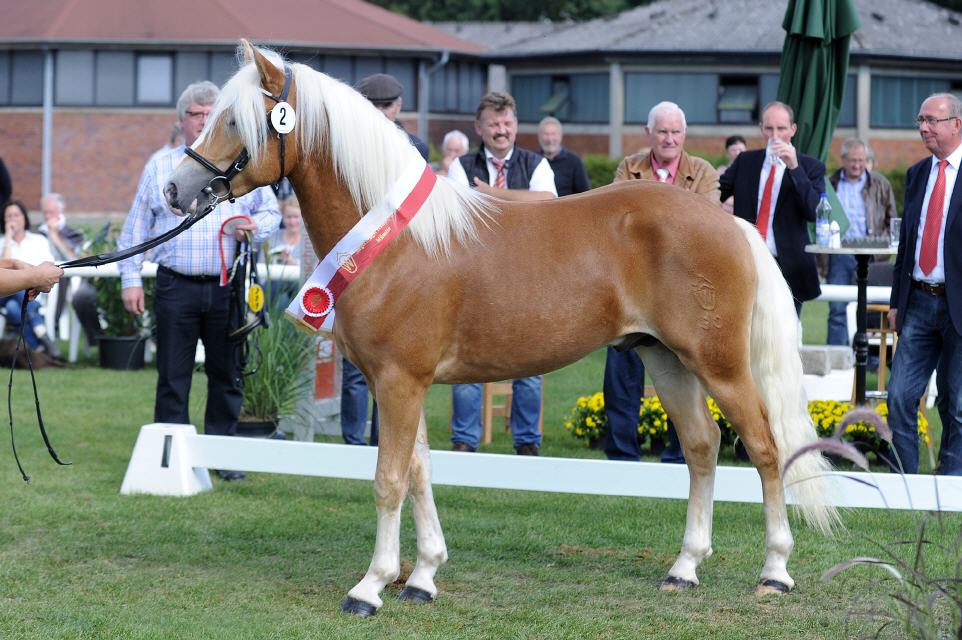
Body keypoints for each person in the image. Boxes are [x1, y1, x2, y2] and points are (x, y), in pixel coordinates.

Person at [118, 80, 281, 481]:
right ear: (181, 120)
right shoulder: (160, 167)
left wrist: (250, 226)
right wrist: (130, 280)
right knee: (173, 374)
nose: (202, 121)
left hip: (228, 288)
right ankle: (171, 457)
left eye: (211, 115)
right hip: (177, 286)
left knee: (227, 374)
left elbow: (272, 215)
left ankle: (223, 457)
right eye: (195, 114)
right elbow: (134, 231)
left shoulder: (240, 166)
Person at [603, 101, 720, 464]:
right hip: (631, 293)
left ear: (684, 135)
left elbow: (706, 229)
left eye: (675, 132)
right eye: (662, 131)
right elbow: (614, 226)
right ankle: (622, 454)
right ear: (648, 134)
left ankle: (678, 454)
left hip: (680, 295)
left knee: (685, 375)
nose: (669, 139)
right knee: (621, 374)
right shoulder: (628, 168)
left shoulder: (704, 173)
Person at [446, 91, 557, 455]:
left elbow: (547, 203)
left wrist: (490, 196)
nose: (502, 130)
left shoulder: (536, 163)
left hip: (527, 276)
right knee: (467, 360)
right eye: (494, 124)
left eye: (507, 123)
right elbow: (457, 212)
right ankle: (464, 441)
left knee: (529, 359)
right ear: (480, 128)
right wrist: (516, 200)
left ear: (516, 126)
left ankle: (527, 443)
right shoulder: (461, 167)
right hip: (474, 277)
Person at [886, 92, 962, 476]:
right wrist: (898, 301)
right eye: (920, 119)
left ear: (956, 124)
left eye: (932, 120)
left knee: (957, 405)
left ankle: (952, 488)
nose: (923, 127)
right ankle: (904, 489)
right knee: (899, 396)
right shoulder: (918, 174)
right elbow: (906, 245)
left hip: (958, 307)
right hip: (918, 301)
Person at [720, 101, 825, 315]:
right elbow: (715, 193)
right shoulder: (745, 161)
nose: (775, 135)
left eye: (781, 128)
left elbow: (815, 212)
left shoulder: (810, 166)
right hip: (747, 260)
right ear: (761, 128)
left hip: (789, 267)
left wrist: (795, 168)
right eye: (769, 128)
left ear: (793, 130)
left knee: (784, 338)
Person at [825, 138, 898, 346]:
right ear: (843, 160)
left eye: (861, 160)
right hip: (839, 253)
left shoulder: (881, 184)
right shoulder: (830, 184)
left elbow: (892, 221)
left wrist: (882, 246)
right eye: (853, 160)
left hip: (872, 254)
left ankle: (872, 361)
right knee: (837, 308)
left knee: (870, 307)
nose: (857, 165)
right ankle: (838, 359)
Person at [38, 193, 101, 345]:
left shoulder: (73, 233)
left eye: (51, 212)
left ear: (61, 210)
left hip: (66, 277)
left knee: (59, 275)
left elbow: (74, 259)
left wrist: (54, 236)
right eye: (45, 212)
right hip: (39, 273)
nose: (47, 216)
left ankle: (52, 323)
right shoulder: (38, 233)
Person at [0, 200, 61, 356]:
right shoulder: (2, 242)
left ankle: (38, 349)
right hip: (6, 293)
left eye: (16, 215)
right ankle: (41, 332)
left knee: (14, 308)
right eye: (8, 216)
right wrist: (8, 237)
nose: (13, 219)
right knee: (18, 289)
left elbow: (48, 267)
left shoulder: (39, 240)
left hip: (32, 295)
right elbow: (3, 272)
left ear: (24, 217)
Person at [355, 73, 429, 162]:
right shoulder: (348, 145)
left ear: (398, 106)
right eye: (372, 105)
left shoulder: (417, 149)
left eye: (386, 105)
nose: (379, 112)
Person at [537, 116, 591, 196]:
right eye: (546, 134)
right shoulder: (531, 159)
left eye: (553, 134)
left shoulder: (574, 161)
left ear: (560, 136)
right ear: (539, 136)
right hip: (537, 207)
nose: (550, 139)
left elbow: (585, 194)